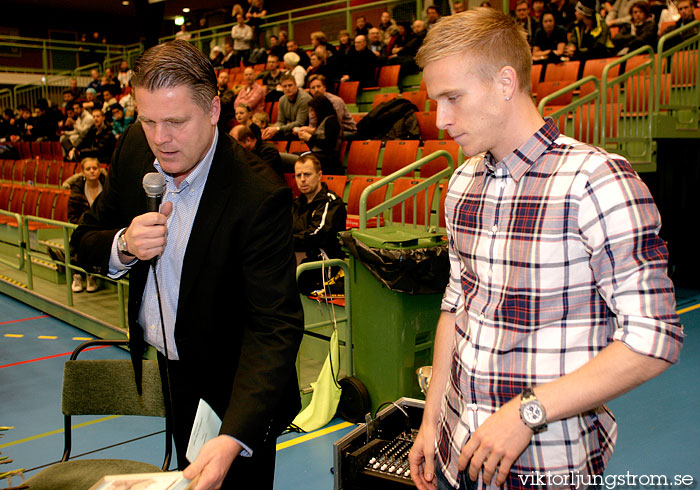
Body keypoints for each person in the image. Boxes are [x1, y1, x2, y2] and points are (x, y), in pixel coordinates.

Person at [408, 8, 683, 490]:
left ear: (505, 82)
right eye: (436, 101)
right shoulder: (462, 183)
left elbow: (653, 339)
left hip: (545, 463)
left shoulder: (597, 182)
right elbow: (457, 309)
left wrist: (528, 411)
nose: (441, 119)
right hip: (456, 448)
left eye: (452, 98)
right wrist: (432, 421)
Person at [69, 39, 303, 490]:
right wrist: (124, 244)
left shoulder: (259, 195)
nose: (160, 139)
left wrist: (234, 434)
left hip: (235, 384)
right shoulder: (135, 149)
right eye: (148, 120)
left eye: (175, 122)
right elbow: (84, 240)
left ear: (214, 110)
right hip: (171, 369)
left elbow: (274, 326)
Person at [291, 154, 347, 269]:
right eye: (298, 175)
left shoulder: (331, 203)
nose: (302, 179)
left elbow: (316, 236)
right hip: (298, 258)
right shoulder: (295, 203)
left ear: (319, 175)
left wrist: (284, 241)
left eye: (307, 174)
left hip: (324, 266)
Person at [64, 157, 106, 293]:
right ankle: (77, 276)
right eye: (88, 169)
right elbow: (72, 216)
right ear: (83, 172)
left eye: (95, 168)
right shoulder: (77, 190)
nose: (92, 171)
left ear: (99, 170)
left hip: (103, 228)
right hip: (82, 228)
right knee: (78, 240)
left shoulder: (107, 187)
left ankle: (91, 276)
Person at [296, 95, 343, 175]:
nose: (312, 114)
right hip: (318, 156)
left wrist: (310, 138)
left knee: (295, 159)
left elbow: (329, 146)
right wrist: (305, 138)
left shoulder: (331, 121)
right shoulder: (321, 122)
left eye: (313, 110)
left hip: (329, 160)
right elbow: (315, 147)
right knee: (294, 156)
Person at [261, 73, 311, 141]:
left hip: (305, 130)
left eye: (290, 85)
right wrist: (271, 129)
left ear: (296, 85)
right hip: (292, 129)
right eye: (284, 86)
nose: (287, 88)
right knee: (267, 135)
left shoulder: (304, 98)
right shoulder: (282, 100)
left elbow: (300, 123)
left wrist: (277, 129)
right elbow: (280, 121)